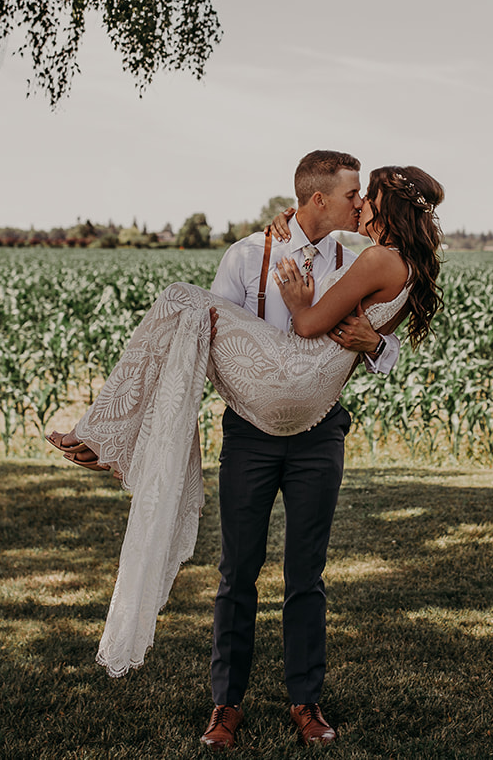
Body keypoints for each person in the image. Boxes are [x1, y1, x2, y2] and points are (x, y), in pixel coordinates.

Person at [48, 156, 446, 750]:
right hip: (251, 431)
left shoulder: (355, 252)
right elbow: (207, 343)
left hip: (317, 431)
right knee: (237, 572)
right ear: (316, 201)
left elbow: (365, 335)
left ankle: (306, 702)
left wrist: (376, 345)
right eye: (350, 196)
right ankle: (225, 706)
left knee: (306, 575)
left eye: (364, 197)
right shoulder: (245, 255)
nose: (358, 205)